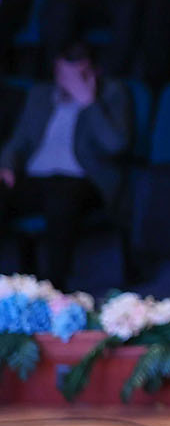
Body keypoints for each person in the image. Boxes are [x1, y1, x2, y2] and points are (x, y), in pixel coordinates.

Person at [0, 43, 132, 290]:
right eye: (63, 75)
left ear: (94, 73)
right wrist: (6, 165)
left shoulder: (113, 94)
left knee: (61, 197)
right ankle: (11, 285)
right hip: (35, 178)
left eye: (78, 76)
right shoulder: (40, 95)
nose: (69, 82)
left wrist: (89, 103)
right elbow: (18, 141)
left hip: (83, 180)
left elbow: (116, 146)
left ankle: (55, 286)